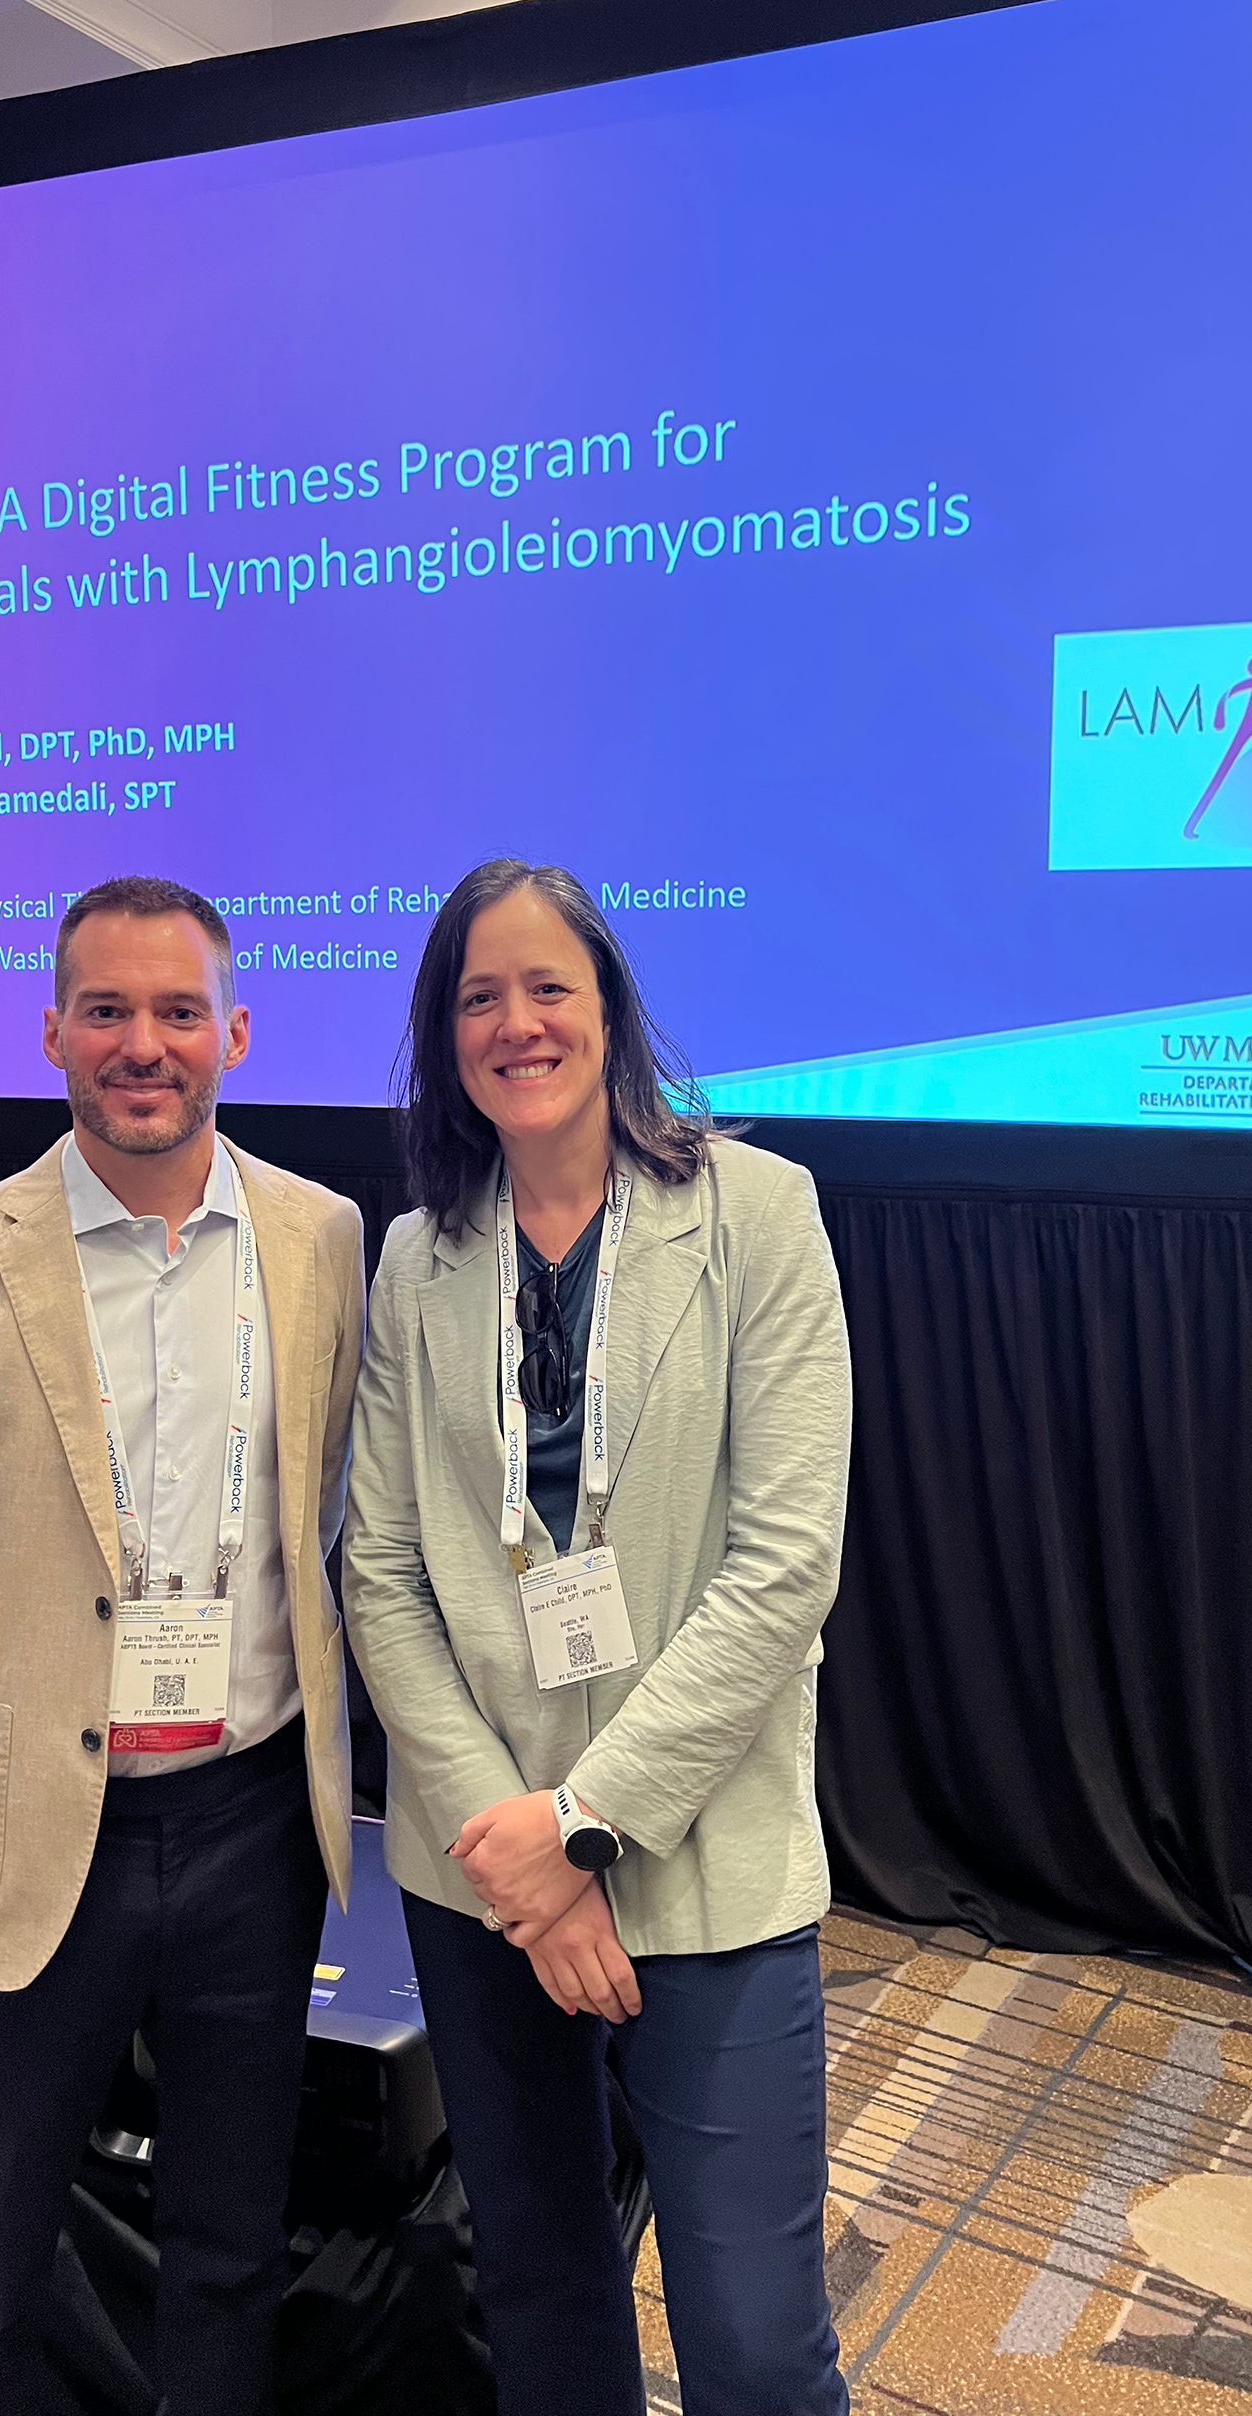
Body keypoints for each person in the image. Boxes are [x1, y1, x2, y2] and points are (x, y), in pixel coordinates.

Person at [0, 874, 365, 2416]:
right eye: (109, 1010)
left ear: (236, 1035)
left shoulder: (320, 1239)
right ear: (53, 1031)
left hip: (252, 1824)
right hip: (33, 1826)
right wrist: (14, 1715)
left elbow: (325, 1507)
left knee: (229, 2245)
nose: (145, 1044)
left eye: (179, 1011)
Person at [343, 858, 852, 2416]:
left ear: (610, 1010)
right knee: (544, 2297)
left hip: (702, 1851)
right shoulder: (419, 1259)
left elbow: (785, 1568)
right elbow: (383, 1574)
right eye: (478, 997)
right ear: (446, 1037)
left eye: (547, 986)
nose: (517, 1022)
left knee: (754, 2339)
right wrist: (520, 1851)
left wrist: (584, 1827)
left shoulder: (758, 1214)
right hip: (479, 1864)